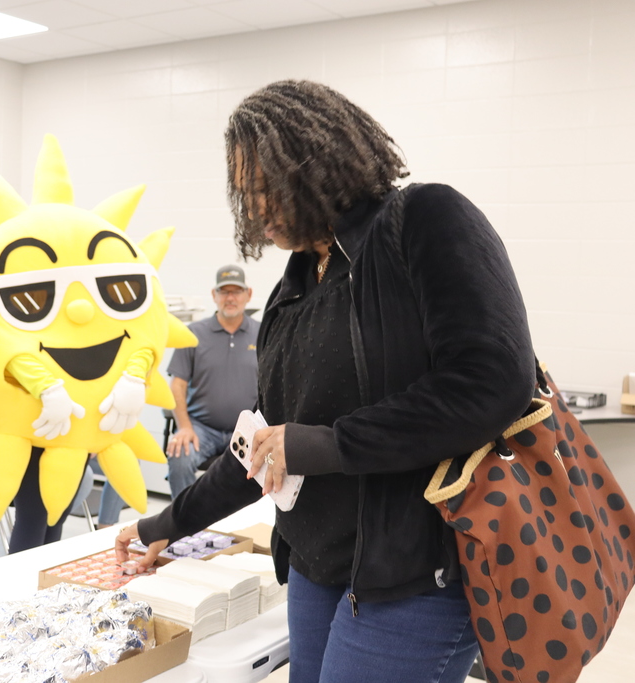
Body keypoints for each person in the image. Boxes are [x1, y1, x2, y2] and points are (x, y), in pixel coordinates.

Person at [115, 80, 534, 683]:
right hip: (317, 562)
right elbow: (261, 443)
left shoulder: (421, 221)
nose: (254, 209)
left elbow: (492, 380)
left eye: (264, 187)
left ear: (317, 164)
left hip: (413, 569)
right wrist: (166, 525)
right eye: (244, 193)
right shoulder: (297, 282)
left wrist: (325, 444)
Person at [94, 265, 259, 527]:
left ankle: (243, 527)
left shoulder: (263, 333)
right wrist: (184, 427)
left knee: (269, 463)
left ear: (248, 295)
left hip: (249, 428)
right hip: (201, 428)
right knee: (180, 456)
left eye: (236, 291)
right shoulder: (194, 333)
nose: (230, 297)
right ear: (213, 295)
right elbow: (177, 385)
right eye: (224, 291)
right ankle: (183, 523)